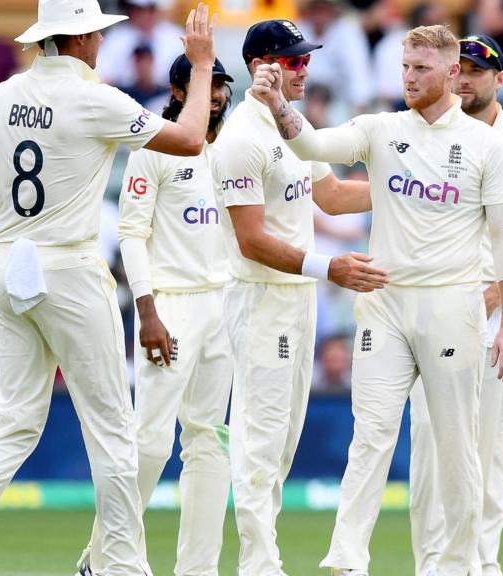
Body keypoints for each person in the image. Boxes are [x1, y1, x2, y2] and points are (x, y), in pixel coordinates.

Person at [0, 2, 220, 575]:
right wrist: (204, 63)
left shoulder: (4, 94)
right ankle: (124, 567)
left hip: (11, 263)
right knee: (113, 429)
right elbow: (192, 139)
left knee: (14, 420)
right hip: (69, 268)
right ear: (85, 37)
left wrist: (14, 234)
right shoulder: (96, 98)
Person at [255, 23, 503, 576]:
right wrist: (278, 103)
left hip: (453, 306)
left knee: (456, 446)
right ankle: (347, 559)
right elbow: (310, 144)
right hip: (385, 303)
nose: (409, 77)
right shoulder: (380, 129)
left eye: (422, 68)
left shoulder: (488, 147)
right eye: (405, 66)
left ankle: (458, 563)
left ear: (453, 73)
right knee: (371, 434)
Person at [213, 19, 383, 576]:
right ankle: (259, 566)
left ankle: (263, 561)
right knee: (259, 442)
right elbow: (251, 239)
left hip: (297, 296)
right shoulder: (240, 137)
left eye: (305, 59)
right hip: (261, 297)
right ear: (260, 64)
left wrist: (409, 190)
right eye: (292, 61)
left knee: (282, 443)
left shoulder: (292, 126)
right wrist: (326, 267)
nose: (304, 68)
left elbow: (330, 196)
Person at [74, 54, 236, 576]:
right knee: (150, 442)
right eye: (203, 85)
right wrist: (147, 311)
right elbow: (131, 235)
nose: (214, 96)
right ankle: (100, 558)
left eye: (219, 86)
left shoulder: (232, 150)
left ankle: (198, 569)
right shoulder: (156, 145)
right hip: (170, 304)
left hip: (223, 305)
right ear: (176, 88)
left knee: (210, 442)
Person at [408, 33, 503, 576]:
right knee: (429, 454)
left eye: (477, 71)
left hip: (491, 322)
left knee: (486, 453)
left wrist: (493, 294)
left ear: (500, 80)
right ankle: (432, 566)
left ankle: (481, 566)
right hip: (430, 317)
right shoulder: (422, 135)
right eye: (459, 69)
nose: (465, 79)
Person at [96, 0, 185, 89]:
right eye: (138, 10)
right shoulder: (116, 38)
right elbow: (101, 75)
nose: (144, 15)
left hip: (167, 95)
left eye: (150, 9)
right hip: (125, 95)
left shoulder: (175, 36)